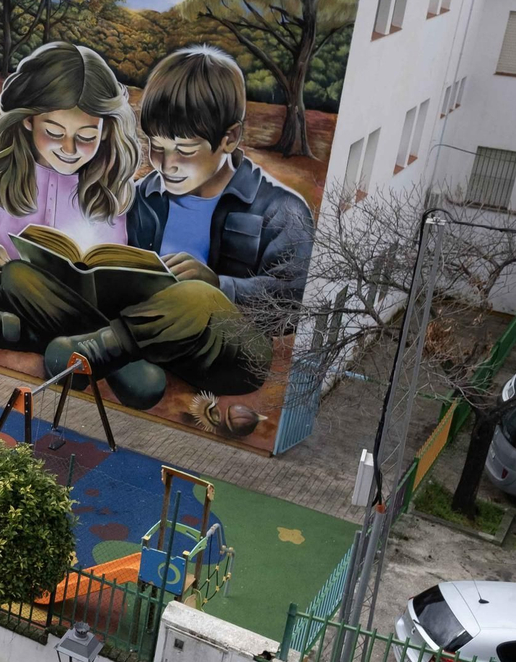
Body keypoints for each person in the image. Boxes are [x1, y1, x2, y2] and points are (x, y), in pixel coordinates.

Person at [41, 45, 314, 405]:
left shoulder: (281, 208)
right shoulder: (142, 194)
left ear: (229, 138)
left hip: (230, 354)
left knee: (196, 295)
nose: (166, 164)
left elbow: (294, 303)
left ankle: (101, 347)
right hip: (149, 335)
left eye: (185, 151)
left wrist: (218, 286)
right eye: (156, 147)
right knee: (31, 275)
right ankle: (125, 363)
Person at [0, 42, 140, 350]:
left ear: (107, 130)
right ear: (28, 119)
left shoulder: (110, 190)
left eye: (86, 137)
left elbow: (110, 267)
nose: (69, 150)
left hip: (72, 305)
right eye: (55, 133)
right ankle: (102, 347)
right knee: (6, 275)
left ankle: (13, 331)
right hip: (8, 289)